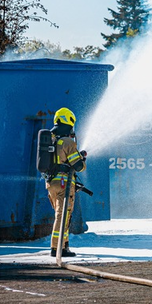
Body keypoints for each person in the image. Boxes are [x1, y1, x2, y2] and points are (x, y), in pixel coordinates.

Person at [45, 107, 86, 257]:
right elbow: (79, 166)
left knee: (63, 215)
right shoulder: (68, 141)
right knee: (62, 215)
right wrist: (82, 158)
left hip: (50, 184)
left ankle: (64, 246)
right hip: (64, 183)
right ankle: (56, 249)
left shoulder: (50, 139)